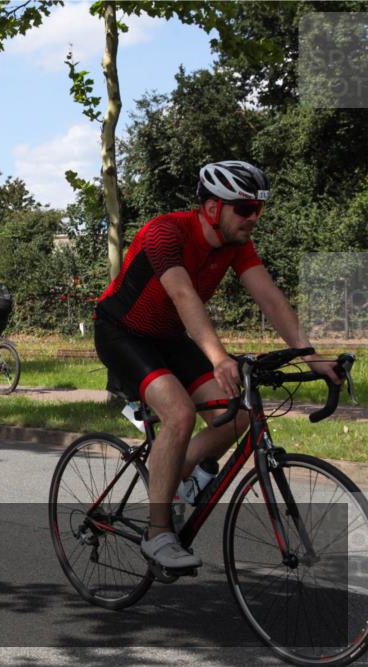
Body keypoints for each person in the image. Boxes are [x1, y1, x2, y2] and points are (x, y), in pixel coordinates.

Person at [94, 160, 340, 571]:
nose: (253, 218)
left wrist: (312, 357)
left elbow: (272, 299)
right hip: (122, 333)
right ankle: (158, 534)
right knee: (179, 413)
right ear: (212, 207)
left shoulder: (236, 245)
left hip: (169, 338)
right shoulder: (165, 232)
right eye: (244, 209)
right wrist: (219, 357)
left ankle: (176, 474)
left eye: (259, 209)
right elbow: (183, 295)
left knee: (238, 417)